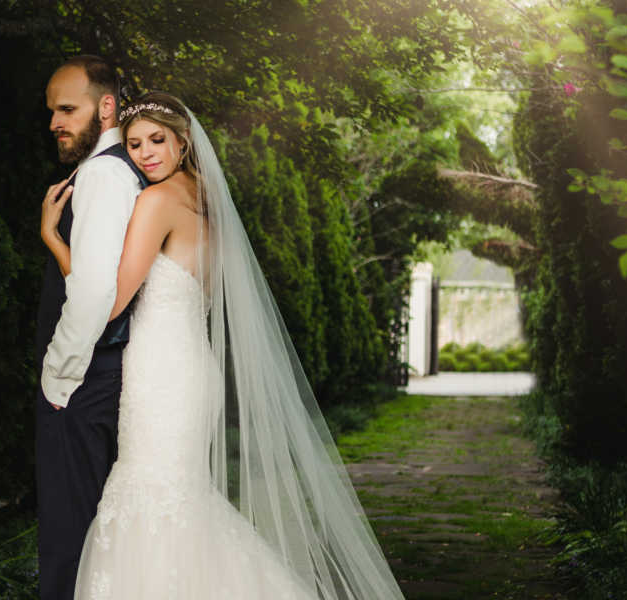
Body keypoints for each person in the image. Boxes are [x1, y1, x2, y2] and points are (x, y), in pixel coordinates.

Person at [44, 92, 405, 599]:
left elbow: (107, 304)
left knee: (150, 503)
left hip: (163, 377)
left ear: (183, 141)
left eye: (156, 140)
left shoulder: (158, 200)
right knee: (181, 505)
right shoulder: (205, 201)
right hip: (191, 370)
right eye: (134, 145)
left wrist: (55, 240)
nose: (146, 153)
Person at [34, 55, 147, 600]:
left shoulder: (103, 173)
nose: (56, 122)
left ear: (106, 107)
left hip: (81, 383)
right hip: (99, 377)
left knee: (68, 536)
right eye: (53, 111)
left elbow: (95, 291)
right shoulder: (125, 168)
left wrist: (57, 375)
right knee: (87, 533)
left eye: (68, 110)